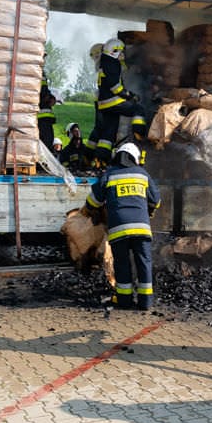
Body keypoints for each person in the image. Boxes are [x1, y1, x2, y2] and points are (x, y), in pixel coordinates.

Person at [83, 141, 161, 310]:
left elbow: (92, 201)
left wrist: (89, 210)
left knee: (122, 263)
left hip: (119, 229)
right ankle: (145, 302)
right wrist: (150, 211)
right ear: (135, 158)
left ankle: (124, 301)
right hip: (142, 228)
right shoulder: (143, 174)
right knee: (144, 262)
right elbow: (156, 201)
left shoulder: (109, 174)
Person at [94, 38, 147, 165]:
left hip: (103, 104)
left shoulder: (104, 62)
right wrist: (129, 95)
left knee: (109, 131)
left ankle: (101, 159)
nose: (122, 54)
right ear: (114, 51)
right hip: (112, 101)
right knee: (138, 109)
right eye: (121, 51)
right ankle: (138, 133)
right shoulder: (112, 63)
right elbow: (115, 87)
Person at [38, 72, 57, 152]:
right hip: (41, 120)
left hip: (47, 120)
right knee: (44, 143)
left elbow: (45, 90)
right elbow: (38, 91)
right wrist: (45, 98)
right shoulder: (36, 71)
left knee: (49, 141)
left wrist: (51, 97)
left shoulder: (42, 73)